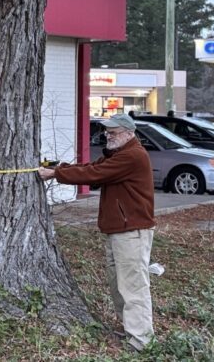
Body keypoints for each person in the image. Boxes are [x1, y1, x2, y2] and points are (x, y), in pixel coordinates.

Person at [38, 113, 155, 351]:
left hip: (131, 231)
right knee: (118, 283)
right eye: (107, 132)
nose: (107, 136)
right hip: (120, 229)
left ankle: (141, 341)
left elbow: (93, 175)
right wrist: (61, 168)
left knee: (132, 286)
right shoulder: (119, 154)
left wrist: (56, 174)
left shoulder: (132, 156)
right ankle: (129, 331)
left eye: (113, 133)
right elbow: (92, 168)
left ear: (128, 134)